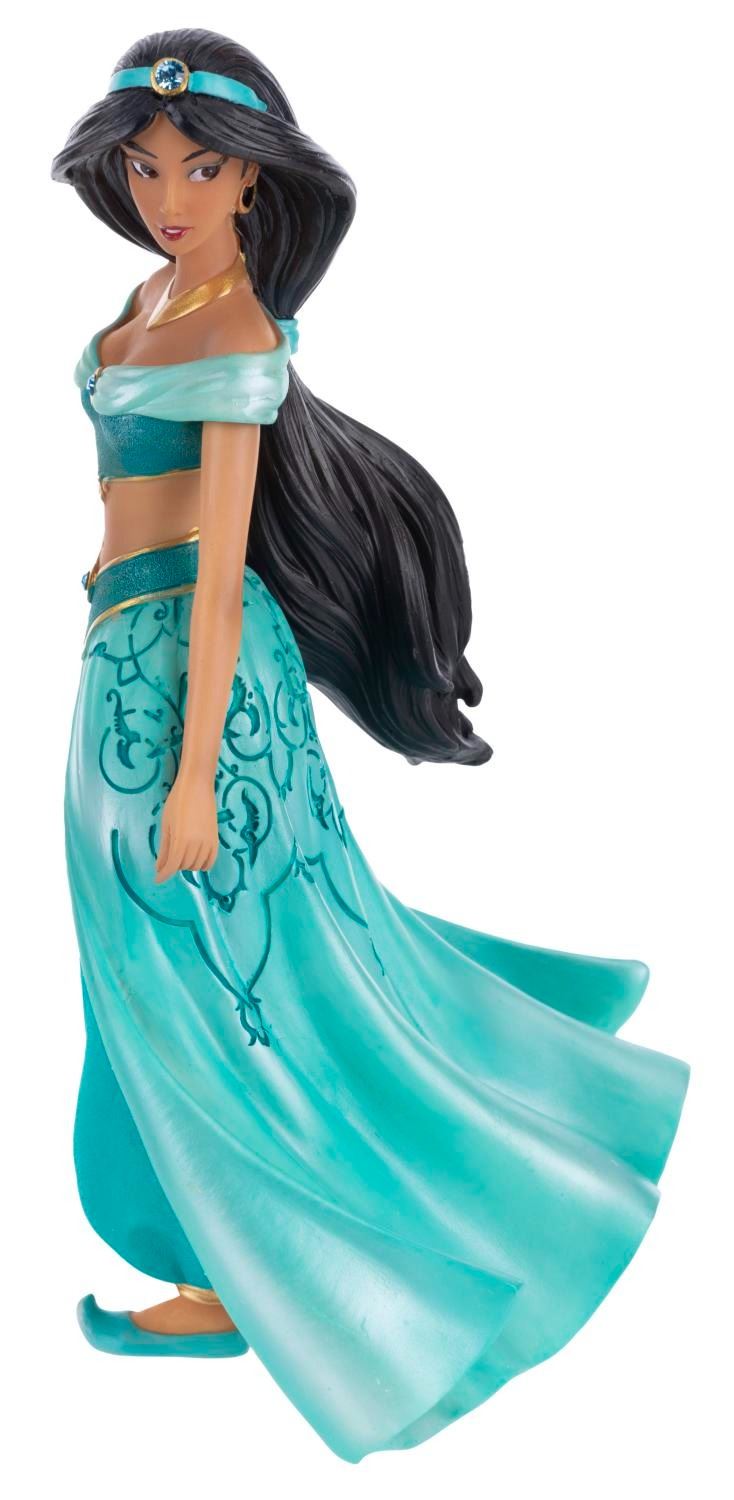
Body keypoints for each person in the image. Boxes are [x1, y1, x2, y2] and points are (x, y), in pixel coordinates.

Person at [52, 26, 690, 1465]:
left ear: (252, 178)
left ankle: (284, 1274)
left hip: (196, 682)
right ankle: (217, 1251)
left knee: (225, 959)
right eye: (145, 167)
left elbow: (222, 573)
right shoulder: (153, 297)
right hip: (121, 669)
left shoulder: (231, 333)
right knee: (162, 959)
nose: (167, 193)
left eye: (198, 168)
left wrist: (199, 771)